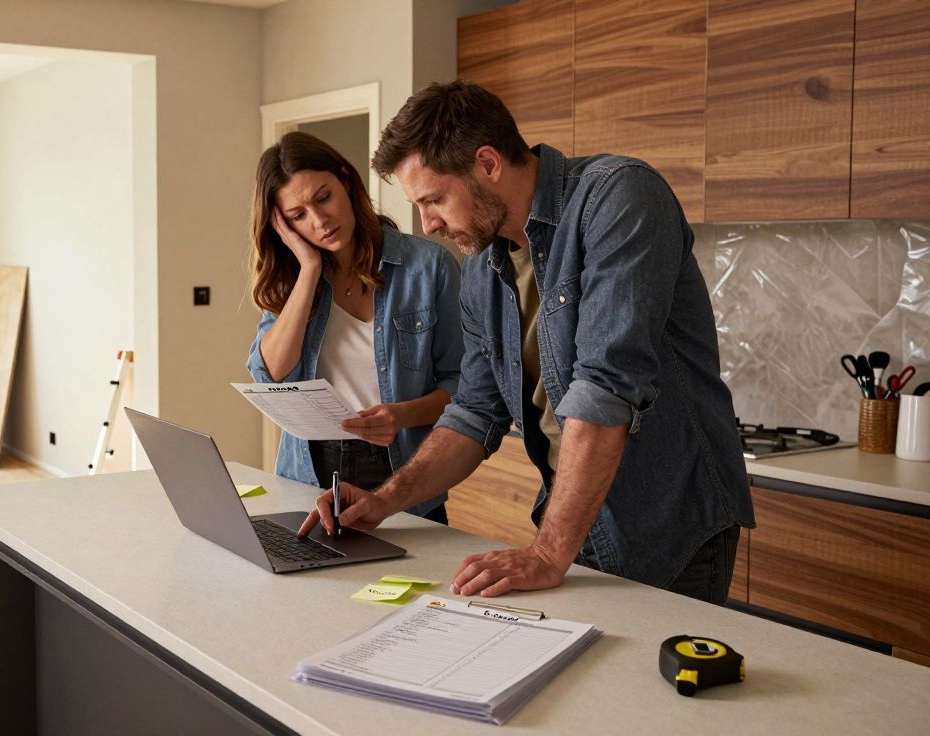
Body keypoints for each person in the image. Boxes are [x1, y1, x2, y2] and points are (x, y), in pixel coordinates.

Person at [297, 81, 754, 605]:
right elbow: (473, 412)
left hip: (668, 520)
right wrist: (384, 501)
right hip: (576, 520)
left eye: (435, 199)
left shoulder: (619, 197)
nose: (429, 224)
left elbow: (605, 386)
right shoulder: (482, 267)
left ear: (488, 163)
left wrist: (547, 552)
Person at [246, 131, 463, 523]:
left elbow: (463, 385)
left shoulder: (429, 268)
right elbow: (270, 373)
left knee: (408, 584)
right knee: (310, 584)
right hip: (308, 472)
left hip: (402, 471)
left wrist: (401, 415)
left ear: (346, 181)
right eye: (298, 216)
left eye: (323, 197)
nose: (319, 220)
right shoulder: (292, 281)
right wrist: (310, 270)